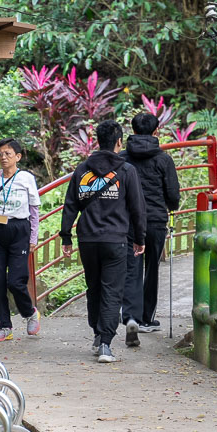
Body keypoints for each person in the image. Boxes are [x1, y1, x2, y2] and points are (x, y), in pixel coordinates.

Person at [60, 119, 146, 363]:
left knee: (95, 288)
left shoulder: (82, 170)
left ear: (98, 141)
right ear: (119, 142)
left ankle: (98, 334)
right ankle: (106, 344)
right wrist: (140, 238)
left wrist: (66, 235)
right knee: (112, 290)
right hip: (116, 240)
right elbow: (137, 208)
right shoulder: (127, 171)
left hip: (87, 240)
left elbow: (70, 205)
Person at [119, 112, 180, 347]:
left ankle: (131, 316)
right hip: (154, 221)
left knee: (131, 268)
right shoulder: (164, 159)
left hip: (127, 222)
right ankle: (146, 318)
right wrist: (169, 206)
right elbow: (173, 195)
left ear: (132, 131)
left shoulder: (123, 158)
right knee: (151, 268)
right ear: (157, 131)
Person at [0, 139, 41, 342]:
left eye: (8, 154)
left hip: (18, 230)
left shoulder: (26, 178)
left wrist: (33, 237)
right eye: (0, 154)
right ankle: (5, 327)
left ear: (18, 157)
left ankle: (30, 313)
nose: (3, 157)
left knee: (15, 281)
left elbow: (34, 211)